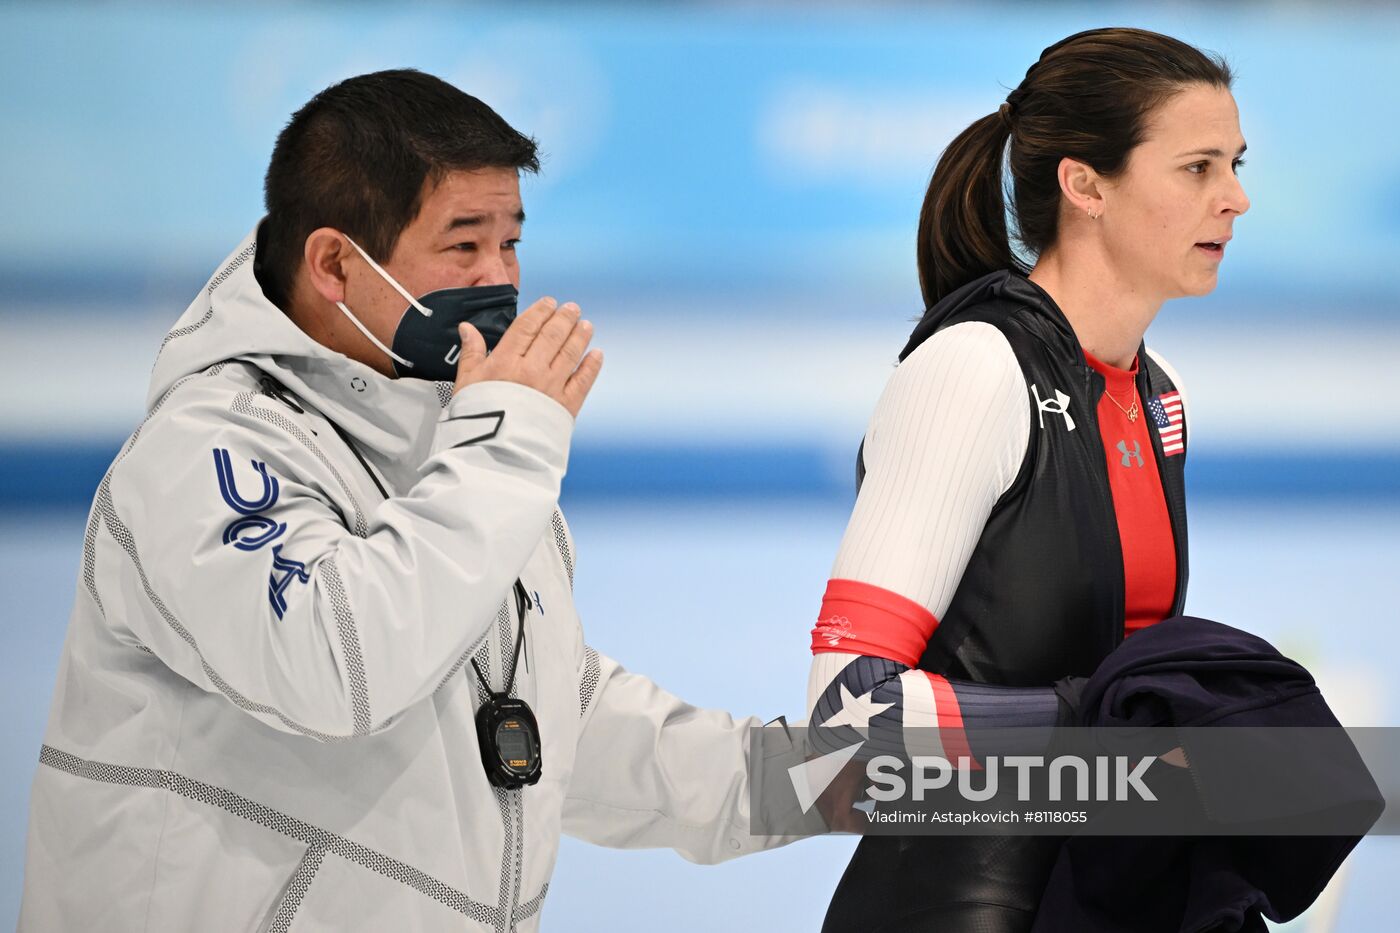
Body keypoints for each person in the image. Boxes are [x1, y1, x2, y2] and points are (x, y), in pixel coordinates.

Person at [20, 69, 796, 932]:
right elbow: (338, 668)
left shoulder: (457, 441)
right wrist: (507, 446)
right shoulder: (203, 452)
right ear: (334, 264)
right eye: (464, 245)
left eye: (510, 243)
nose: (500, 278)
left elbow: (548, 720)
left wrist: (808, 777)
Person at [805, 28, 1249, 932]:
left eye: (1235, 164)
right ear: (1084, 185)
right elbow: (850, 713)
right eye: (1198, 168)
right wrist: (1094, 724)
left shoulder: (1158, 397)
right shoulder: (971, 374)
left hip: (1093, 895)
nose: (1237, 199)